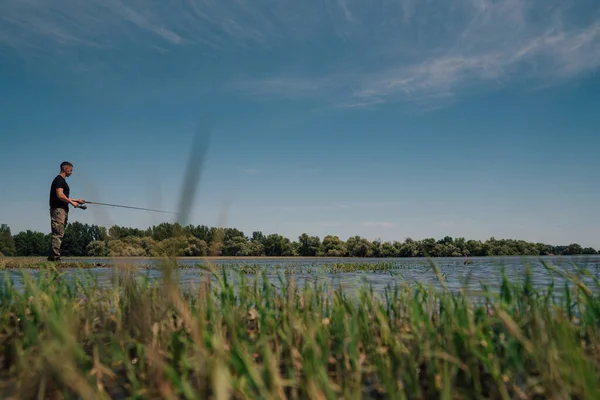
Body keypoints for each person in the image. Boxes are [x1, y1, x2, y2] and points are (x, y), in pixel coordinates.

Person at [48, 161, 85, 261]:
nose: (72, 172)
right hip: (58, 210)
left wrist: (77, 200)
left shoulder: (62, 181)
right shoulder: (59, 180)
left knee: (59, 233)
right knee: (58, 233)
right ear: (65, 168)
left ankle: (53, 257)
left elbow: (65, 196)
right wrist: (73, 203)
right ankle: (55, 258)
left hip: (62, 210)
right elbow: (60, 195)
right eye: (71, 170)